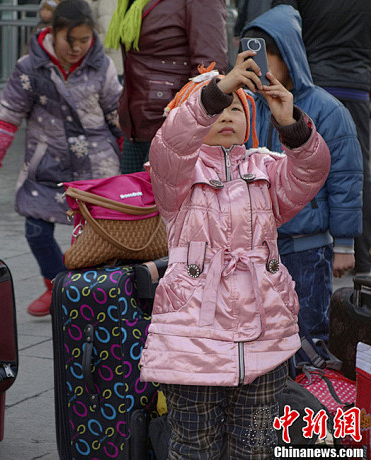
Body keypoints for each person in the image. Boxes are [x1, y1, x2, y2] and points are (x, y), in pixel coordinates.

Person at [141, 52, 330, 458]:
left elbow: (311, 172)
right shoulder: (177, 176)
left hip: (265, 334)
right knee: (194, 445)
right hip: (193, 340)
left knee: (256, 444)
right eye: (216, 108)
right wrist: (219, 87)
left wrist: (290, 124)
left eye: (235, 108)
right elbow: (171, 143)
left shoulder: (266, 169)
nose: (225, 115)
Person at [0, 0, 122, 317]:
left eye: (85, 40)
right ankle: (56, 285)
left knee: (94, 237)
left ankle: (87, 295)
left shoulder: (102, 65)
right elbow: (7, 113)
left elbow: (116, 113)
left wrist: (131, 152)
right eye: (72, 40)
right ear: (53, 32)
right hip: (47, 162)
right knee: (36, 230)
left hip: (96, 164)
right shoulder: (30, 67)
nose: (78, 48)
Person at [241, 5, 363, 342]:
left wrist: (345, 244)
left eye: (266, 58)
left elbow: (346, 179)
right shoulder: (244, 107)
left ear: (289, 54)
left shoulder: (327, 109)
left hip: (307, 246)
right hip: (256, 247)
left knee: (307, 332)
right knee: (264, 334)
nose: (257, 68)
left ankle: (309, 391)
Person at [270, 0, 371, 276]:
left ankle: (336, 248)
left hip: (312, 82)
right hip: (356, 85)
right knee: (354, 168)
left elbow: (280, 24)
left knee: (305, 164)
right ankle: (358, 257)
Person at [104, 0, 227, 174]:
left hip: (172, 125)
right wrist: (124, 105)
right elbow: (134, 59)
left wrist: (186, 122)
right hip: (135, 125)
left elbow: (208, 70)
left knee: (160, 200)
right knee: (130, 199)